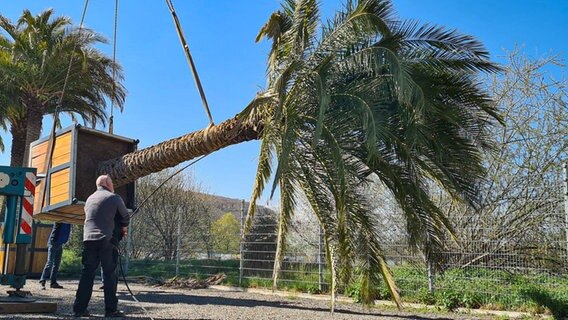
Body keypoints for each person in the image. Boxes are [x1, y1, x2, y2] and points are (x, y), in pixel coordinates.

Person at [73, 175, 130, 318]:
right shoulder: (114, 197)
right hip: (106, 240)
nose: (113, 185)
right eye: (111, 182)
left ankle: (79, 309)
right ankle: (110, 310)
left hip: (88, 240)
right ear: (107, 184)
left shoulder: (89, 200)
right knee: (109, 275)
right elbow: (126, 217)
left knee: (87, 275)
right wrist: (122, 227)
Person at [39, 222, 71, 289]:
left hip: (60, 244)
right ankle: (42, 281)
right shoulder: (59, 221)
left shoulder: (69, 222)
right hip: (53, 243)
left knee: (56, 264)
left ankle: (53, 283)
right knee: (50, 263)